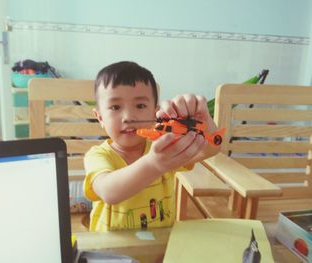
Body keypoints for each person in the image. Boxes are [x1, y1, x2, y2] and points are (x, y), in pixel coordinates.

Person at [83, 61, 220, 231]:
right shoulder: (98, 155)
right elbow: (109, 192)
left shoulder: (164, 148)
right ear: (100, 117)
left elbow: (212, 147)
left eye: (140, 105)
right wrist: (155, 164)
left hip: (159, 248)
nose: (129, 116)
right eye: (115, 106)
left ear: (155, 114)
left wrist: (204, 120)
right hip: (112, 252)